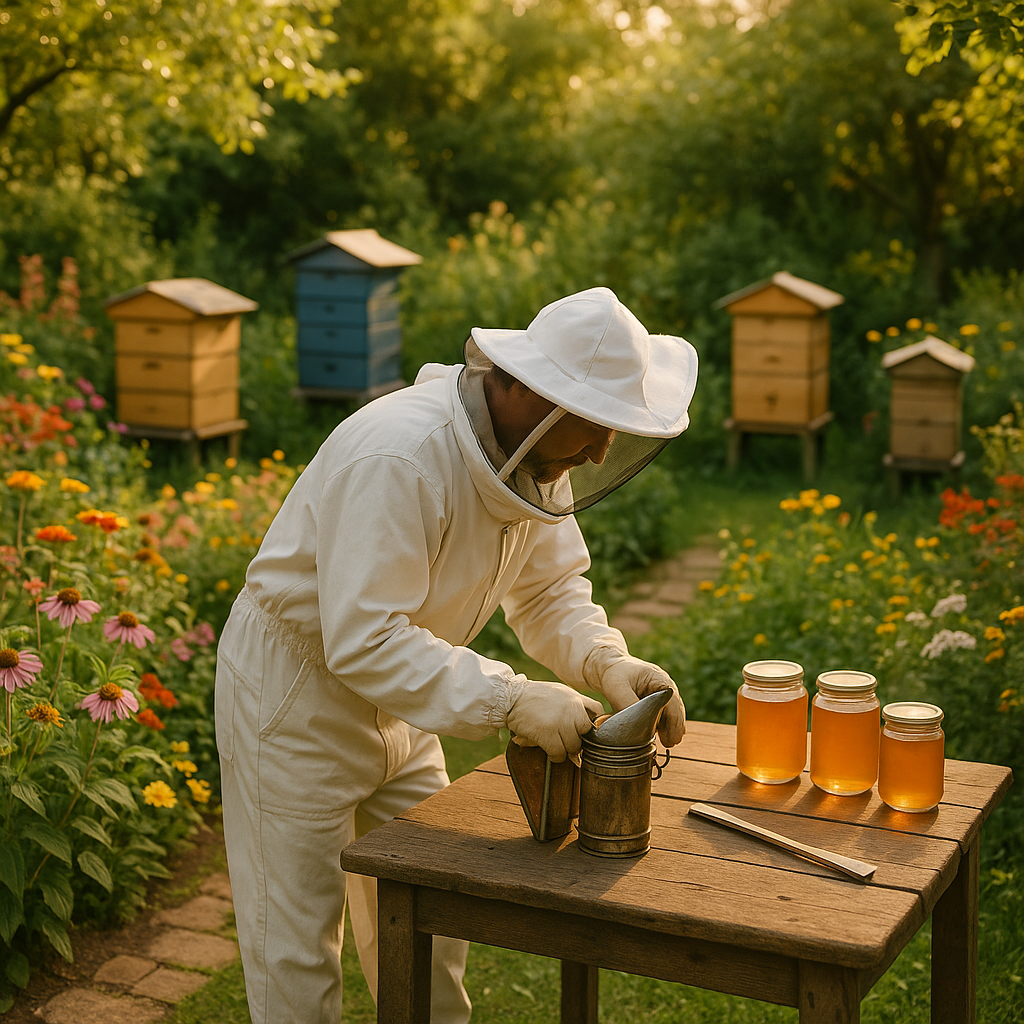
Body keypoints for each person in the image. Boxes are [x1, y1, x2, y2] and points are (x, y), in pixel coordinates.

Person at [214, 286, 699, 1024]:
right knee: (296, 947)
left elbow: (549, 594)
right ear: (526, 392)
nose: (602, 450)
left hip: (406, 697)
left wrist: (609, 663)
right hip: (292, 697)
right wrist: (510, 699)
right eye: (594, 425)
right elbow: (363, 637)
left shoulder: (538, 457)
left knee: (428, 924)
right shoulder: (399, 456)